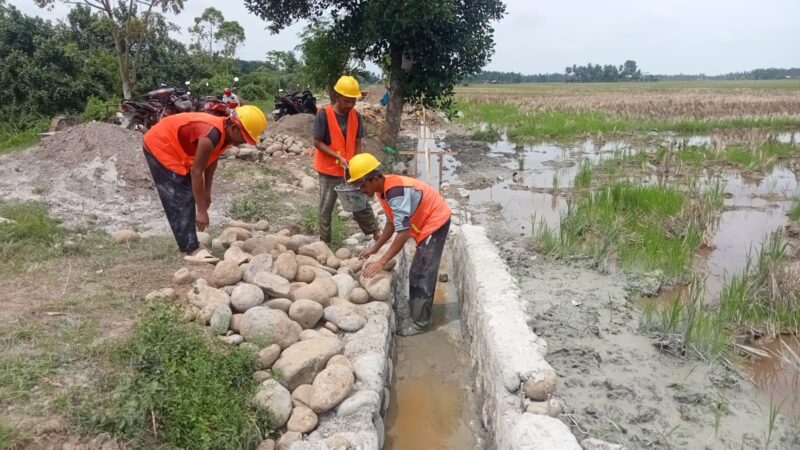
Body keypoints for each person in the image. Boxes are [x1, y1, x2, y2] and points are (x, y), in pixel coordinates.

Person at [142, 106, 267, 263]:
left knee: (189, 190)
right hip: (159, 144)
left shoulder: (224, 136)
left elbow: (211, 161)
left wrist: (207, 193)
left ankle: (191, 242)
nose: (244, 142)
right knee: (181, 193)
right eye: (244, 137)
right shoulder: (211, 134)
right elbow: (196, 172)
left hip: (175, 148)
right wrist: (201, 211)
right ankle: (191, 249)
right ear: (234, 128)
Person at [348, 153, 452, 336]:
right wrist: (375, 248)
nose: (361, 190)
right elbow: (391, 223)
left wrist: (382, 261)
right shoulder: (382, 191)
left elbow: (402, 233)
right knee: (419, 269)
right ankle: (417, 308)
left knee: (421, 271)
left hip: (435, 220)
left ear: (375, 178)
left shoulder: (395, 192)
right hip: (424, 221)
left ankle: (421, 323)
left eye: (363, 185)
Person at [312, 75, 380, 243]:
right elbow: (317, 142)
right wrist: (337, 157)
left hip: (351, 168)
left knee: (360, 200)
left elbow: (358, 140)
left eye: (353, 101)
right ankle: (325, 241)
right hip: (329, 170)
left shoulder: (355, 116)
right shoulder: (323, 115)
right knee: (326, 207)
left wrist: (356, 162)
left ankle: (375, 233)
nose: (350, 105)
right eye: (347, 101)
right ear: (337, 97)